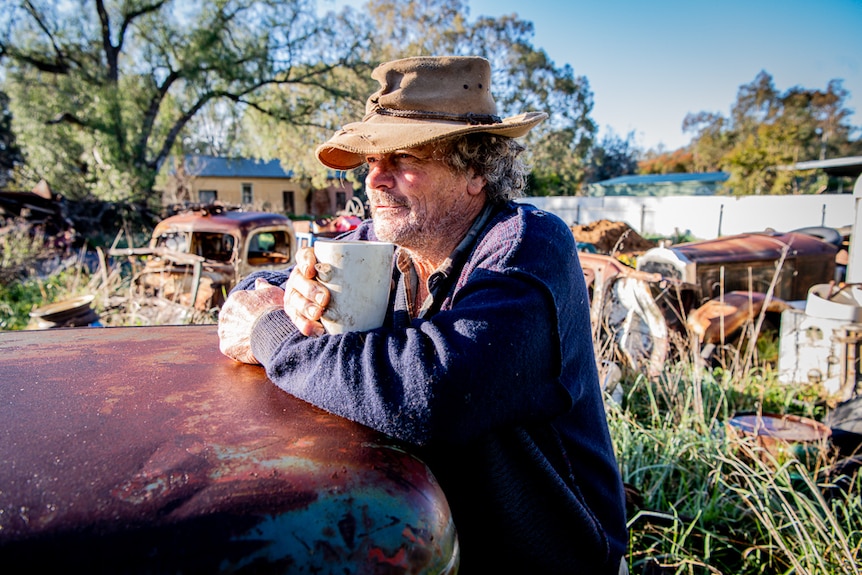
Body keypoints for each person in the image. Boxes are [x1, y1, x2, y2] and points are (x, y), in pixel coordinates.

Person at [218, 55, 628, 574]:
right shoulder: (384, 245)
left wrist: (272, 333)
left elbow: (433, 389)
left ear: (476, 170)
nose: (376, 180)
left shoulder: (529, 246)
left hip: (546, 555)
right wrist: (291, 293)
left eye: (403, 157)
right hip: (432, 534)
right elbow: (258, 288)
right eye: (371, 162)